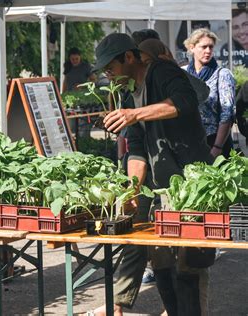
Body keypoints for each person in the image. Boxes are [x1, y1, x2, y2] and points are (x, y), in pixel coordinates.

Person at [92, 33, 214, 316]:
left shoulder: (163, 71)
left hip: (190, 184)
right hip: (159, 188)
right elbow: (136, 149)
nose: (109, 76)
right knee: (161, 263)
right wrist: (132, 191)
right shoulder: (126, 93)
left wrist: (136, 114)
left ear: (130, 57)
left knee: (190, 264)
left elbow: (183, 102)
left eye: (111, 68)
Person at [184, 28, 236, 158]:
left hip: (215, 140)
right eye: (203, 47)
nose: (208, 51)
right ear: (192, 48)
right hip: (189, 141)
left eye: (211, 47)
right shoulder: (183, 73)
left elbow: (227, 113)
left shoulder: (222, 74)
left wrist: (217, 147)